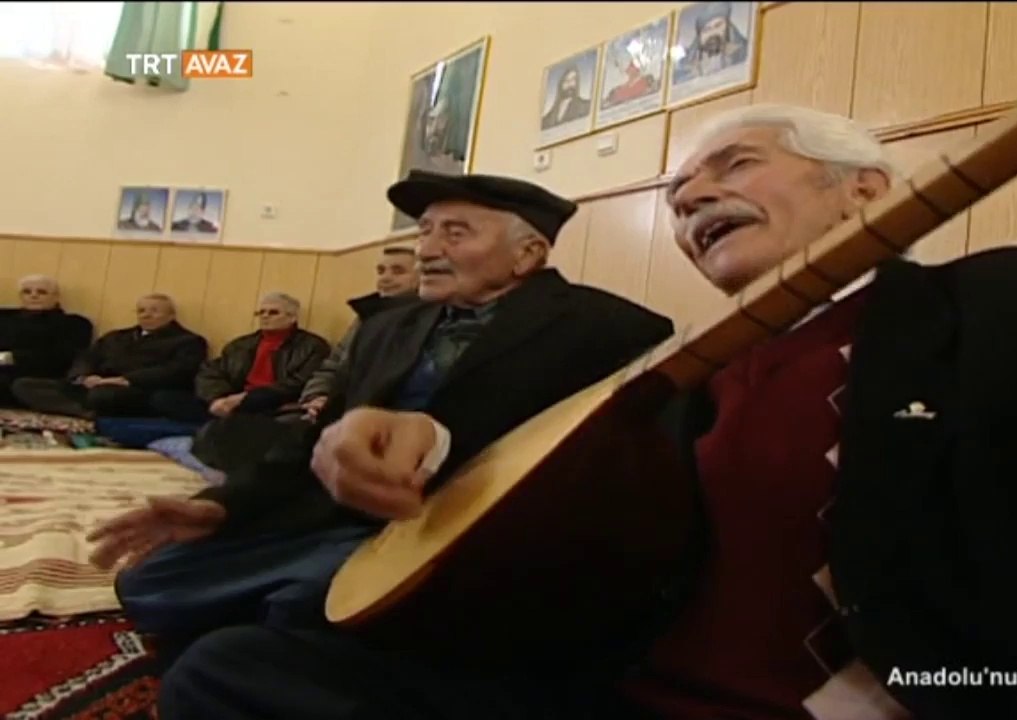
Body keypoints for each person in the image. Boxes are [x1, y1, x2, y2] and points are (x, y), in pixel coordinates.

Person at [129, 3, 1017, 719]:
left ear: (867, 187)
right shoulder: (679, 370)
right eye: (677, 200)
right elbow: (543, 482)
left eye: (733, 164)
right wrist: (407, 444)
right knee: (240, 673)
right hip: (623, 697)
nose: (692, 202)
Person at [88, 171, 674, 680]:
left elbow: (604, 474)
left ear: (528, 254)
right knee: (150, 582)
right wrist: (221, 507)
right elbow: (318, 439)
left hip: (459, 540)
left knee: (299, 608)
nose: (426, 249)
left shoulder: (612, 330)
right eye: (424, 231)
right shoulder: (386, 327)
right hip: (337, 521)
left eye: (456, 232)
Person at [11, 294, 207, 419]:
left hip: (133, 389)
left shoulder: (188, 341)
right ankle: (87, 412)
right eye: (141, 311)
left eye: (154, 311)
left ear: (171, 315)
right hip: (92, 385)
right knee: (24, 385)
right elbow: (87, 357)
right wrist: (83, 377)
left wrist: (124, 380)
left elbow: (176, 371)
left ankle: (85, 409)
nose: (146, 315)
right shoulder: (117, 336)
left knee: (105, 395)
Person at [150, 292, 330, 424]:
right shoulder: (241, 345)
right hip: (231, 400)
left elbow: (299, 383)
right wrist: (218, 398)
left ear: (292, 317)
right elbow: (211, 371)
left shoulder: (312, 345)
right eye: (261, 313)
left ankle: (227, 423)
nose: (265, 316)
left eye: (273, 312)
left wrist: (244, 398)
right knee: (163, 398)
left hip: (273, 401)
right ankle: (231, 421)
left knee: (260, 401)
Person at [298, 246, 421, 421]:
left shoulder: (425, 320)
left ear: (421, 277)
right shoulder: (365, 317)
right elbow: (332, 366)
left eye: (398, 271)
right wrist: (316, 396)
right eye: (381, 271)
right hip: (333, 410)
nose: (385, 278)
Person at [0, 275, 94, 407]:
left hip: (38, 375)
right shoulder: (5, 318)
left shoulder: (74, 323)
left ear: (56, 297)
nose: (34, 296)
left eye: (41, 292)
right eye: (27, 292)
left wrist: (10, 357)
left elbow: (63, 357)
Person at [672, 1, 750, 85]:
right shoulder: (685, 69)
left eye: (718, 25)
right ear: (699, 37)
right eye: (706, 30)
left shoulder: (745, 52)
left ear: (728, 27)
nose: (712, 33)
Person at [541, 65, 593, 129]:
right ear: (560, 84)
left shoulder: (586, 106)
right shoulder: (546, 119)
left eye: (573, 79)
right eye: (566, 80)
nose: (570, 83)